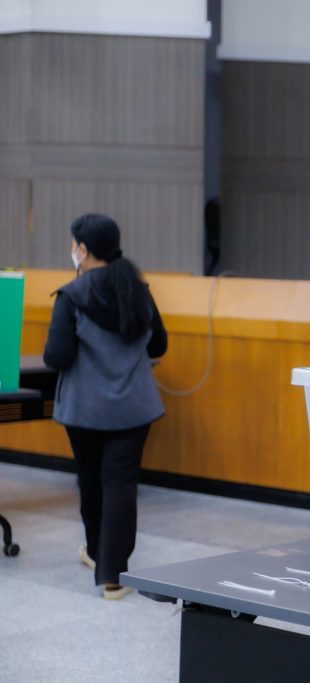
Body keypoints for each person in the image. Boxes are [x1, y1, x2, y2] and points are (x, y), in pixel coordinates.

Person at [43, 214, 167, 600]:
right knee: (120, 483)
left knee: (91, 480)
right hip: (134, 407)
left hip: (85, 410)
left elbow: (57, 356)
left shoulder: (71, 296)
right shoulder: (137, 290)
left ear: (83, 250)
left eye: (73, 244)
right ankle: (113, 575)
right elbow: (159, 345)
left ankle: (98, 554)